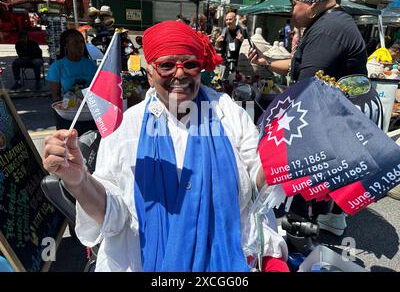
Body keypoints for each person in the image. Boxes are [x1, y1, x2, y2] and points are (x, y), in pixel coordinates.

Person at [42, 20, 289, 272]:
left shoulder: (228, 113)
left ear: (199, 70)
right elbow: (114, 217)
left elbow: (257, 188)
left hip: (225, 260)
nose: (179, 74)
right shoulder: (127, 128)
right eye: (167, 66)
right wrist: (79, 182)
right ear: (149, 74)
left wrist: (277, 162)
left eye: (189, 65)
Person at [249, 0, 368, 236]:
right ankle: (328, 218)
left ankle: (298, 228)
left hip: (327, 116)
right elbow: (296, 66)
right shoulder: (332, 22)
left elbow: (305, 90)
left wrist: (276, 127)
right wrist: (265, 62)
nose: (292, 11)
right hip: (336, 113)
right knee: (324, 172)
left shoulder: (328, 30)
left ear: (311, 4)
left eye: (294, 4)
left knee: (307, 169)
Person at [46, 29, 98, 134]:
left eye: (81, 42)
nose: (80, 46)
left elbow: (98, 89)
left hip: (90, 113)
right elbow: (56, 97)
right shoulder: (57, 67)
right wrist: (65, 112)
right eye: (75, 43)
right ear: (66, 46)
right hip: (68, 116)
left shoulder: (91, 65)